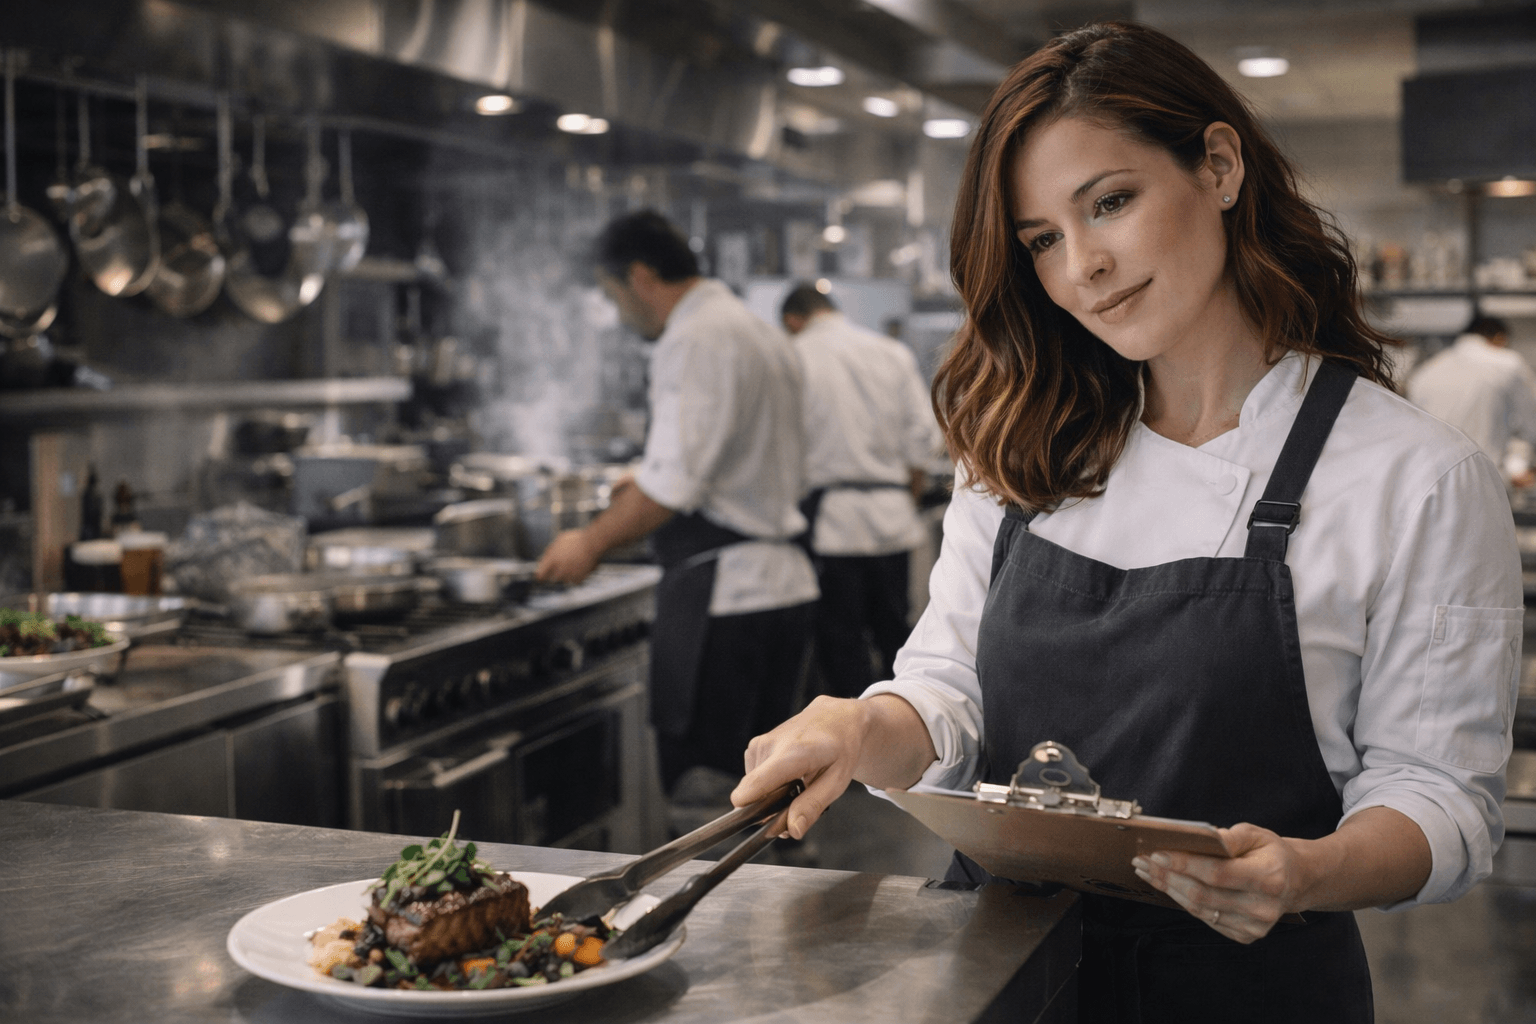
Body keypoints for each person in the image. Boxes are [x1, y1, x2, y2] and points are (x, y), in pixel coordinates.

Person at [730, 22, 1520, 1023]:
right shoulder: (1023, 443)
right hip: (1002, 979)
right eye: (1043, 240)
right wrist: (859, 727)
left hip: (1248, 992)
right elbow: (949, 687)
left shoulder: (1416, 477)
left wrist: (1306, 870)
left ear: (1220, 166)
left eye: (1110, 202)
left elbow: (1441, 794)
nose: (1083, 270)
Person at [536, 211, 818, 793]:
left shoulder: (695, 337)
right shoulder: (753, 327)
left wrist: (586, 541)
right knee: (777, 790)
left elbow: (673, 488)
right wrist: (645, 472)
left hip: (728, 599)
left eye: (614, 297)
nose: (618, 314)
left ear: (640, 278)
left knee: (710, 790)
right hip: (783, 590)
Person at [780, 283, 944, 696]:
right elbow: (923, 437)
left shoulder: (795, 356)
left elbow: (783, 447)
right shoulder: (890, 352)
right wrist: (908, 496)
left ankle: (852, 745)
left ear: (792, 321)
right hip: (893, 516)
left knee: (842, 644)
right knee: (899, 640)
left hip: (833, 525)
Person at [1408, 315, 1536, 487]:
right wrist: (1519, 469)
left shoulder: (1424, 372)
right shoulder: (1508, 363)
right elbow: (1531, 424)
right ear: (1500, 337)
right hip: (1485, 480)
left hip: (1430, 481)